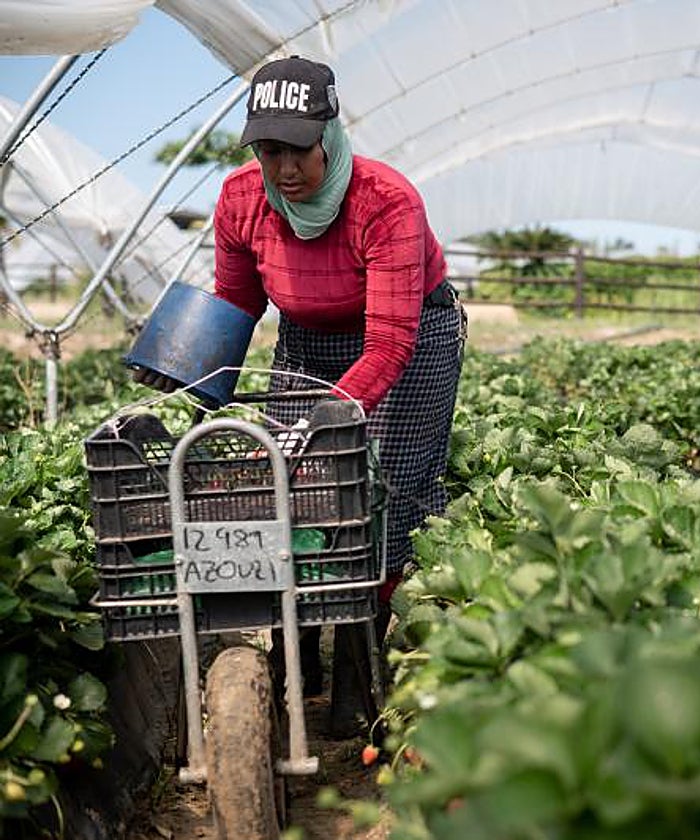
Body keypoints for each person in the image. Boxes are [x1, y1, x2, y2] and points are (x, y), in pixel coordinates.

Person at [134, 56, 466, 734]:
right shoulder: (240, 199)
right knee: (292, 495)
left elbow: (390, 343)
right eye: (269, 149)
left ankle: (356, 679)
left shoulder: (385, 200)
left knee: (384, 498)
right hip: (310, 339)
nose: (285, 168)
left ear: (329, 136)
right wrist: (187, 377)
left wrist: (327, 417)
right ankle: (293, 667)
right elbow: (236, 304)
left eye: (299, 150)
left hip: (409, 341)